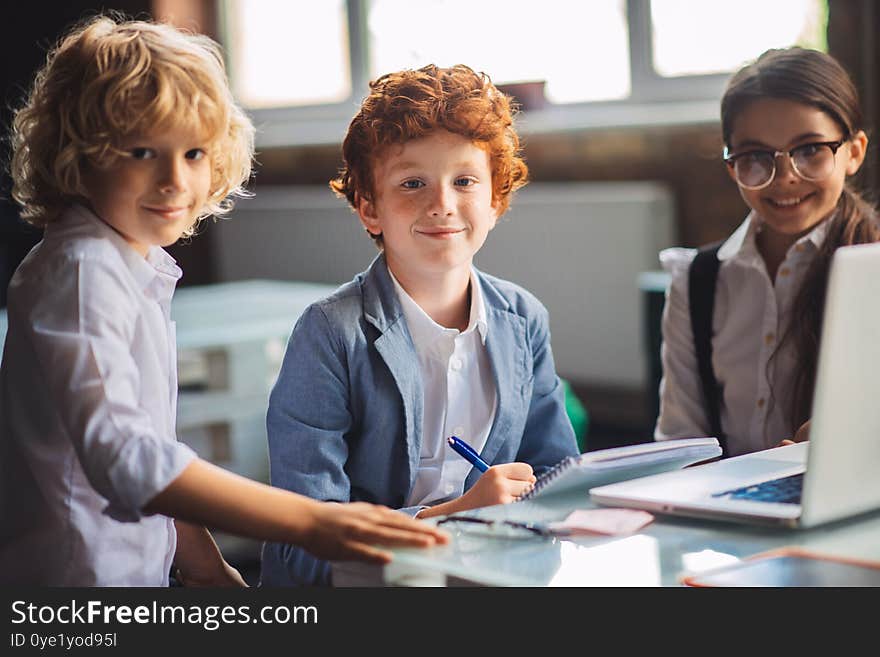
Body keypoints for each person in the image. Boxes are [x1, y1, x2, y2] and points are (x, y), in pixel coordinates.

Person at [0, 15, 446, 587]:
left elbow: (154, 444)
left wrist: (204, 563)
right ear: (78, 153)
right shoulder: (83, 269)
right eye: (141, 151)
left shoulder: (128, 263)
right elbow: (127, 458)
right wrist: (309, 521)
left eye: (193, 153)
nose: (174, 181)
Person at [261, 64, 579, 586]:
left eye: (465, 181)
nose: (442, 205)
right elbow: (304, 541)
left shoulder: (523, 318)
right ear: (369, 208)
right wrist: (456, 514)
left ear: (496, 200)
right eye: (413, 183)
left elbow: (558, 478)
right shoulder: (328, 334)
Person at [655, 47, 878, 457]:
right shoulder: (696, 281)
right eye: (756, 156)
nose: (785, 179)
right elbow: (679, 443)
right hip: (724, 507)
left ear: (855, 152)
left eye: (810, 149)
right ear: (731, 166)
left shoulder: (873, 270)